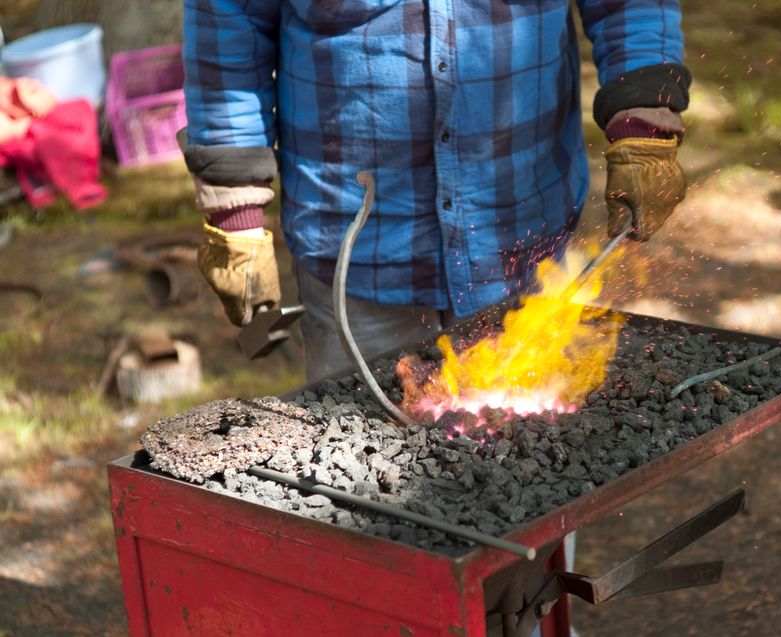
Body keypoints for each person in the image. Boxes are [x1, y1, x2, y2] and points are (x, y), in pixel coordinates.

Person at [182, 0, 691, 381]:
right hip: (356, 258)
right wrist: (234, 209)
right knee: (359, 504)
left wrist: (647, 117)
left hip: (524, 233)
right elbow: (227, 22)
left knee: (532, 485)